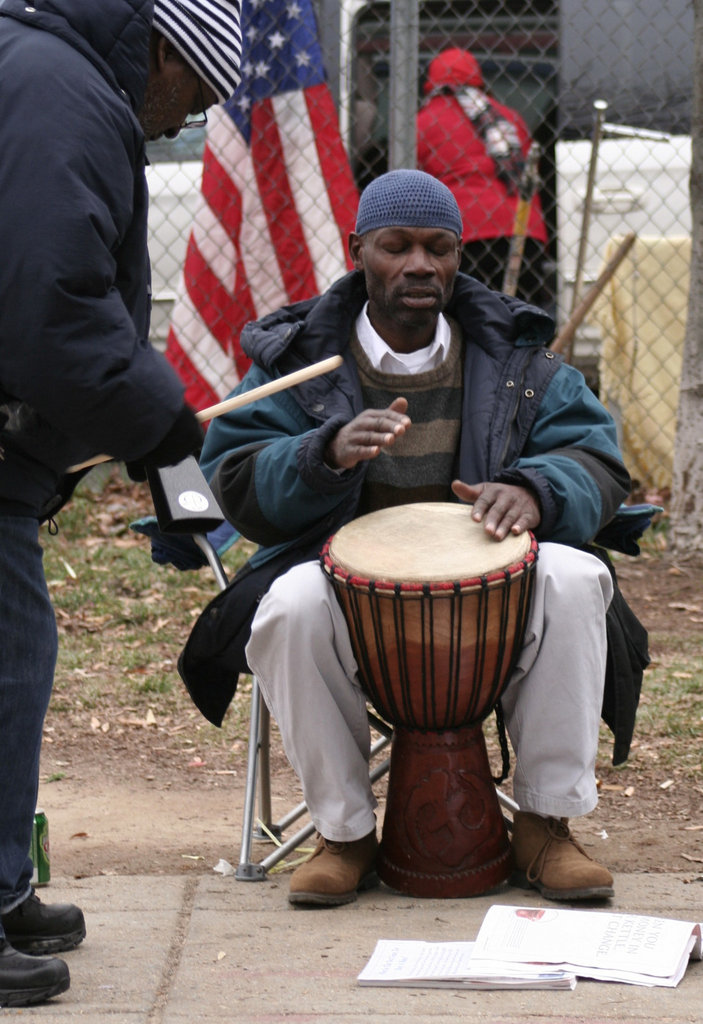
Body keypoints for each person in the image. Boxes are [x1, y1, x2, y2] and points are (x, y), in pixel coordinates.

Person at [192, 168, 637, 910]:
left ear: (460, 256)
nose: (419, 265)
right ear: (357, 249)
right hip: (349, 598)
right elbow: (234, 473)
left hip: (494, 602)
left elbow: (594, 456)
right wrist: (323, 454)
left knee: (571, 576)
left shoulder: (515, 358)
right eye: (396, 247)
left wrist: (534, 488)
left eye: (439, 248)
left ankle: (545, 825)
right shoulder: (299, 359)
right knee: (289, 604)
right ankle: (344, 834)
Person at [0, 0, 242, 1007]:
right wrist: (159, 425)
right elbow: (52, 299)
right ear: (163, 54)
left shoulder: (44, 71)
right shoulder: (64, 93)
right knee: (6, 662)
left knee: (17, 652)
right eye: (194, 94)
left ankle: (5, 879)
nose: (186, 121)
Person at [416, 47, 550, 306]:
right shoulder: (509, 117)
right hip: (523, 232)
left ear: (432, 82)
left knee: (471, 318)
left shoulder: (423, 122)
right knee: (520, 316)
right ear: (478, 78)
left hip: (467, 238)